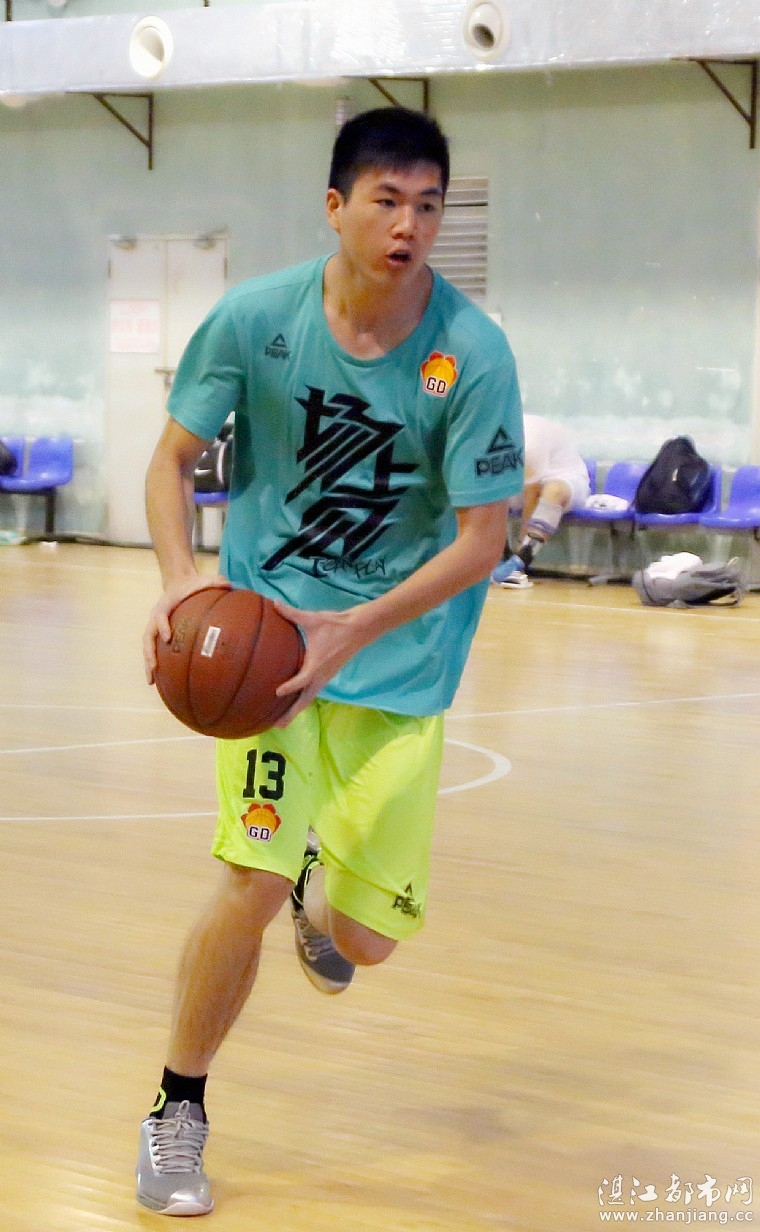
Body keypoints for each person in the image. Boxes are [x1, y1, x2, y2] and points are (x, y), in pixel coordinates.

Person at [136, 106, 523, 1217]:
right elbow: (170, 461)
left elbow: (483, 541)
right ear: (335, 207)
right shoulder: (255, 320)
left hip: (398, 673)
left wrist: (355, 626)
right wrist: (180, 580)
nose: (409, 226)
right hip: (270, 664)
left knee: (364, 943)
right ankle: (176, 1108)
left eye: (429, 206)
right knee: (247, 879)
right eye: (387, 201)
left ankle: (327, 890)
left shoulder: (470, 352)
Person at [490, 413, 589, 588]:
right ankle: (496, 558)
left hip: (566, 480)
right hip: (521, 484)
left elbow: (532, 496)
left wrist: (520, 546)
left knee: (553, 490)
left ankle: (521, 560)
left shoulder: (531, 441)